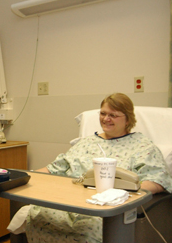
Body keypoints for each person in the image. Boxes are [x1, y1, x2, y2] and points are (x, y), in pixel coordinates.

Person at [25, 93, 172, 243]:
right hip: (66, 202)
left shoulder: (142, 146)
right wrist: (24, 177)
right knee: (37, 214)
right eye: (103, 113)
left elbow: (158, 180)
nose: (106, 119)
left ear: (128, 119)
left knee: (89, 226)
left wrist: (120, 195)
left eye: (113, 115)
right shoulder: (86, 143)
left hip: (103, 209)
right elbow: (54, 169)